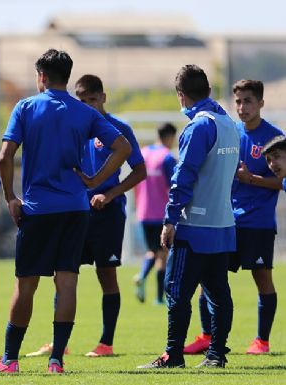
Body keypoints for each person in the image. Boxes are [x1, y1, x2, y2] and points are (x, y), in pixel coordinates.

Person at [0, 49, 131, 374]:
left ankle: (9, 360)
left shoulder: (25, 107)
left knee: (26, 284)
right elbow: (122, 147)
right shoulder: (85, 112)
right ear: (67, 77)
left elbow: (4, 156)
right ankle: (56, 362)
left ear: (41, 76)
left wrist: (11, 197)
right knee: (67, 282)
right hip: (75, 209)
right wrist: (95, 180)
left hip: (37, 210)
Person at [138, 65, 239, 369]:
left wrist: (170, 219)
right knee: (218, 292)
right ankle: (216, 355)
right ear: (208, 90)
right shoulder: (229, 125)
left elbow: (184, 178)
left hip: (194, 226)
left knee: (177, 291)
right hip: (222, 224)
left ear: (181, 96)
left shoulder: (198, 127)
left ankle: (173, 355)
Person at [184, 79, 282, 355]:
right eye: (237, 101)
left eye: (248, 101)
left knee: (262, 278)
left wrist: (251, 179)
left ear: (261, 103)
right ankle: (205, 336)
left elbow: (282, 180)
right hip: (225, 220)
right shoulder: (228, 131)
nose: (242, 107)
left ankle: (261, 341)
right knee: (208, 277)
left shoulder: (274, 138)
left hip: (258, 223)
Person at [75, 74, 146, 357]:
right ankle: (60, 342)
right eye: (82, 101)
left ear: (103, 98)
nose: (88, 106)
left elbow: (139, 170)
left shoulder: (118, 129)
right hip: (75, 212)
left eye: (92, 99)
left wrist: (111, 194)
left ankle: (106, 342)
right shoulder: (73, 129)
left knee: (107, 274)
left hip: (108, 213)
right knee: (65, 273)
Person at [134, 123, 178, 305]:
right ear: (169, 137)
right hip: (162, 214)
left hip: (144, 212)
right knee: (164, 256)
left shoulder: (143, 154)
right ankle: (160, 298)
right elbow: (174, 187)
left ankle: (142, 275)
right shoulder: (167, 157)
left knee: (153, 252)